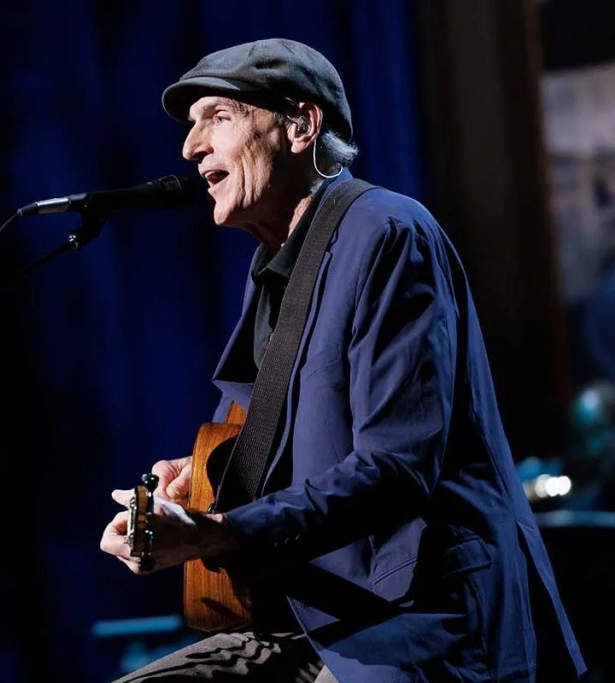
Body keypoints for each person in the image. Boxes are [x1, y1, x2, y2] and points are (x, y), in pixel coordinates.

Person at [99, 37, 588, 682]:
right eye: (192, 129)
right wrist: (190, 482)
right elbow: (265, 438)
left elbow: (397, 465)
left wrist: (221, 533)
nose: (191, 148)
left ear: (300, 125)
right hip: (317, 614)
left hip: (414, 617)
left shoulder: (385, 230)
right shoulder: (276, 267)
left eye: (217, 118)